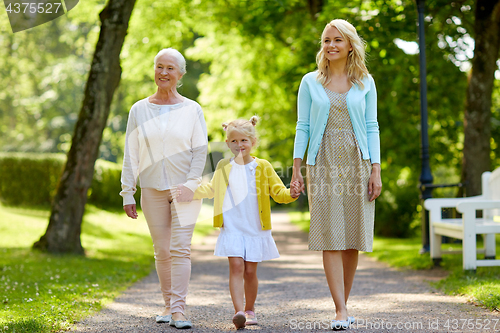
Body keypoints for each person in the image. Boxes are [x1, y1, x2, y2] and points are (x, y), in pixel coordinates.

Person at [291, 19, 382, 330]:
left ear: (350, 45)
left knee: (352, 237)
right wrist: (297, 169)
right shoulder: (310, 82)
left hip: (358, 160)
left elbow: (372, 126)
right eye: (326, 40)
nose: (330, 46)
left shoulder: (365, 82)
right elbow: (302, 126)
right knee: (330, 235)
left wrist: (376, 170)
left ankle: (345, 303)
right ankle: (340, 310)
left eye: (337, 41)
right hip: (323, 161)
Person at [180, 116, 300, 329]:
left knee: (250, 272)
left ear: (253, 142)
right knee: (236, 267)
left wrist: (291, 194)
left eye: (244, 140)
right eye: (234, 141)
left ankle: (250, 308)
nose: (239, 145)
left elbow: (278, 192)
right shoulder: (223, 166)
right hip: (232, 226)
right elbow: (211, 189)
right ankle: (238, 312)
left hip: (254, 227)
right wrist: (190, 193)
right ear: (227, 143)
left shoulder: (262, 166)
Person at [120, 48, 207, 329]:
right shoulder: (139, 109)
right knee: (162, 250)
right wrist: (127, 191)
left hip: (185, 190)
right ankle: (168, 306)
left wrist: (191, 185)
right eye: (159, 67)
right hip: (152, 189)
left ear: (180, 74)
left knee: (181, 249)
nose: (163, 73)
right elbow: (131, 152)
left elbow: (200, 151)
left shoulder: (192, 109)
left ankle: (180, 310)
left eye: (170, 68)